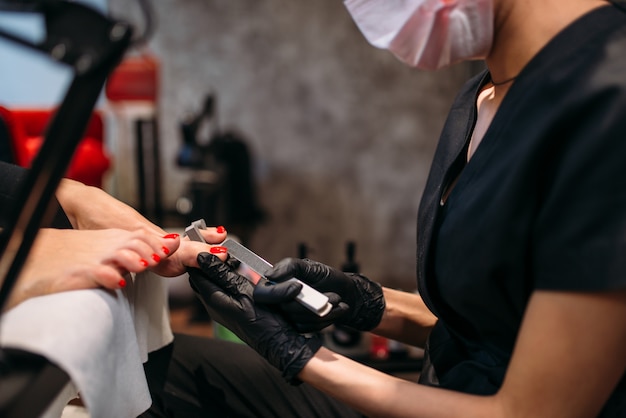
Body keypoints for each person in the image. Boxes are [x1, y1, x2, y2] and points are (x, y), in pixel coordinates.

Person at [186, 0, 626, 417]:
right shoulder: (484, 94)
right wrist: (366, 303)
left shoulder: (608, 106)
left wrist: (297, 355)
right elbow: (490, 323)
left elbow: (535, 411)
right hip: (443, 388)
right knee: (177, 366)